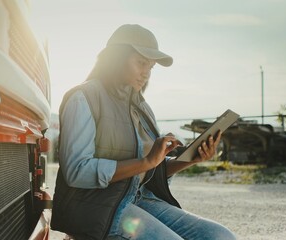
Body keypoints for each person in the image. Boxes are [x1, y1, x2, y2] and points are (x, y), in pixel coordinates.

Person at [51, 24, 236, 240]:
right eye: (141, 63)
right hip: (95, 207)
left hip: (136, 199)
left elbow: (149, 171)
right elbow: (77, 171)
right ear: (116, 58)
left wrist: (191, 159)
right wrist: (146, 162)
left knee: (220, 237)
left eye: (151, 67)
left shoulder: (141, 107)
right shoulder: (83, 98)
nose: (146, 74)